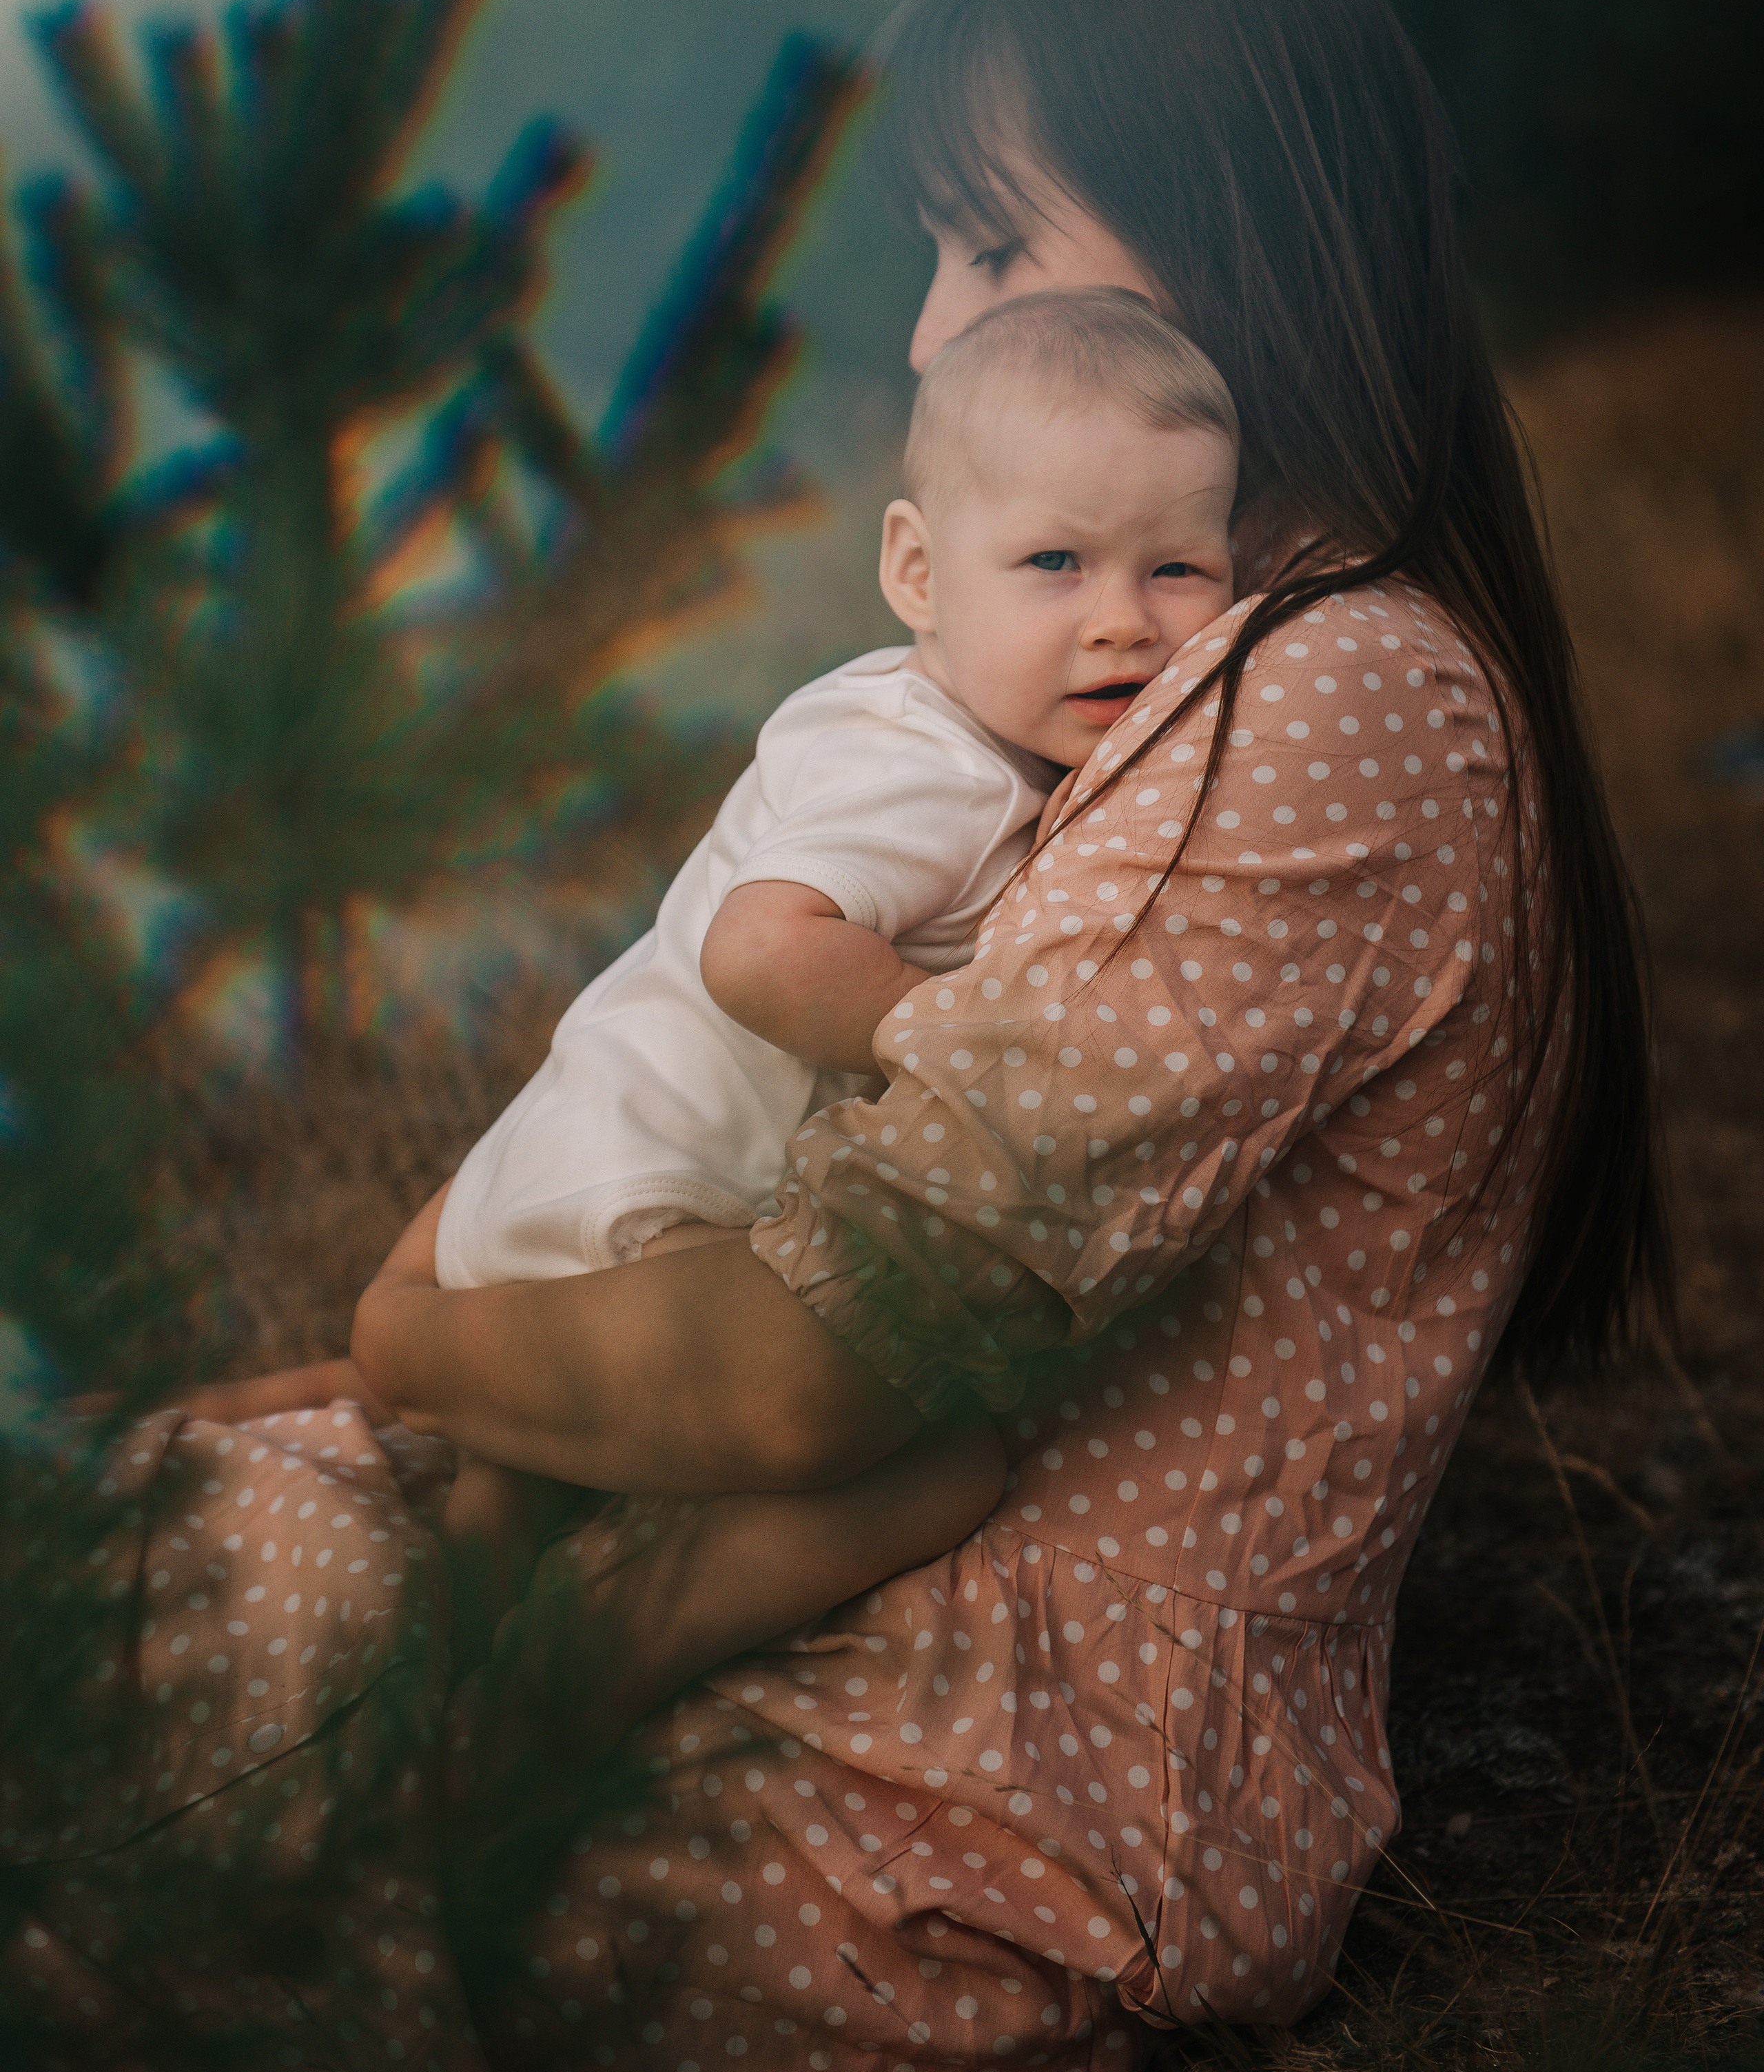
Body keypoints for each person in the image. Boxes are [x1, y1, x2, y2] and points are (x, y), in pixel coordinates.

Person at [13, 0, 1670, 2072]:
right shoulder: (1188, 677)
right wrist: (381, 1385)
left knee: (127, 1692)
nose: (925, 335)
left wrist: (421, 1335)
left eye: (991, 245)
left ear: (1233, 239)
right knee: (125, 1547)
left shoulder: (1338, 691)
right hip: (837, 1597)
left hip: (949, 1762)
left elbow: (818, 1374)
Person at [423, 286, 1241, 1658]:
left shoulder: (900, 708)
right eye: (1053, 562)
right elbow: (761, 949)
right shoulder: (928, 771)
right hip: (652, 1190)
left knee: (540, 1473)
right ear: (918, 573)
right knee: (934, 1469)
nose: (1122, 623)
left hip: (573, 1164)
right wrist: (948, 1037)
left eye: (1176, 570)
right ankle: (583, 1677)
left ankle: (464, 1605)